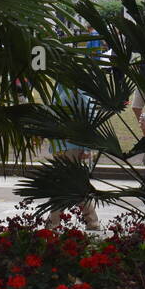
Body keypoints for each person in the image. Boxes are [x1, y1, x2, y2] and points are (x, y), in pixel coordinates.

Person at [45, 81, 103, 232]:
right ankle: (91, 220)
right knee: (71, 183)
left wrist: (87, 146)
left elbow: (90, 116)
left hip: (73, 145)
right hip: (60, 145)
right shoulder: (59, 85)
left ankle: (54, 221)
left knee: (65, 183)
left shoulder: (77, 87)